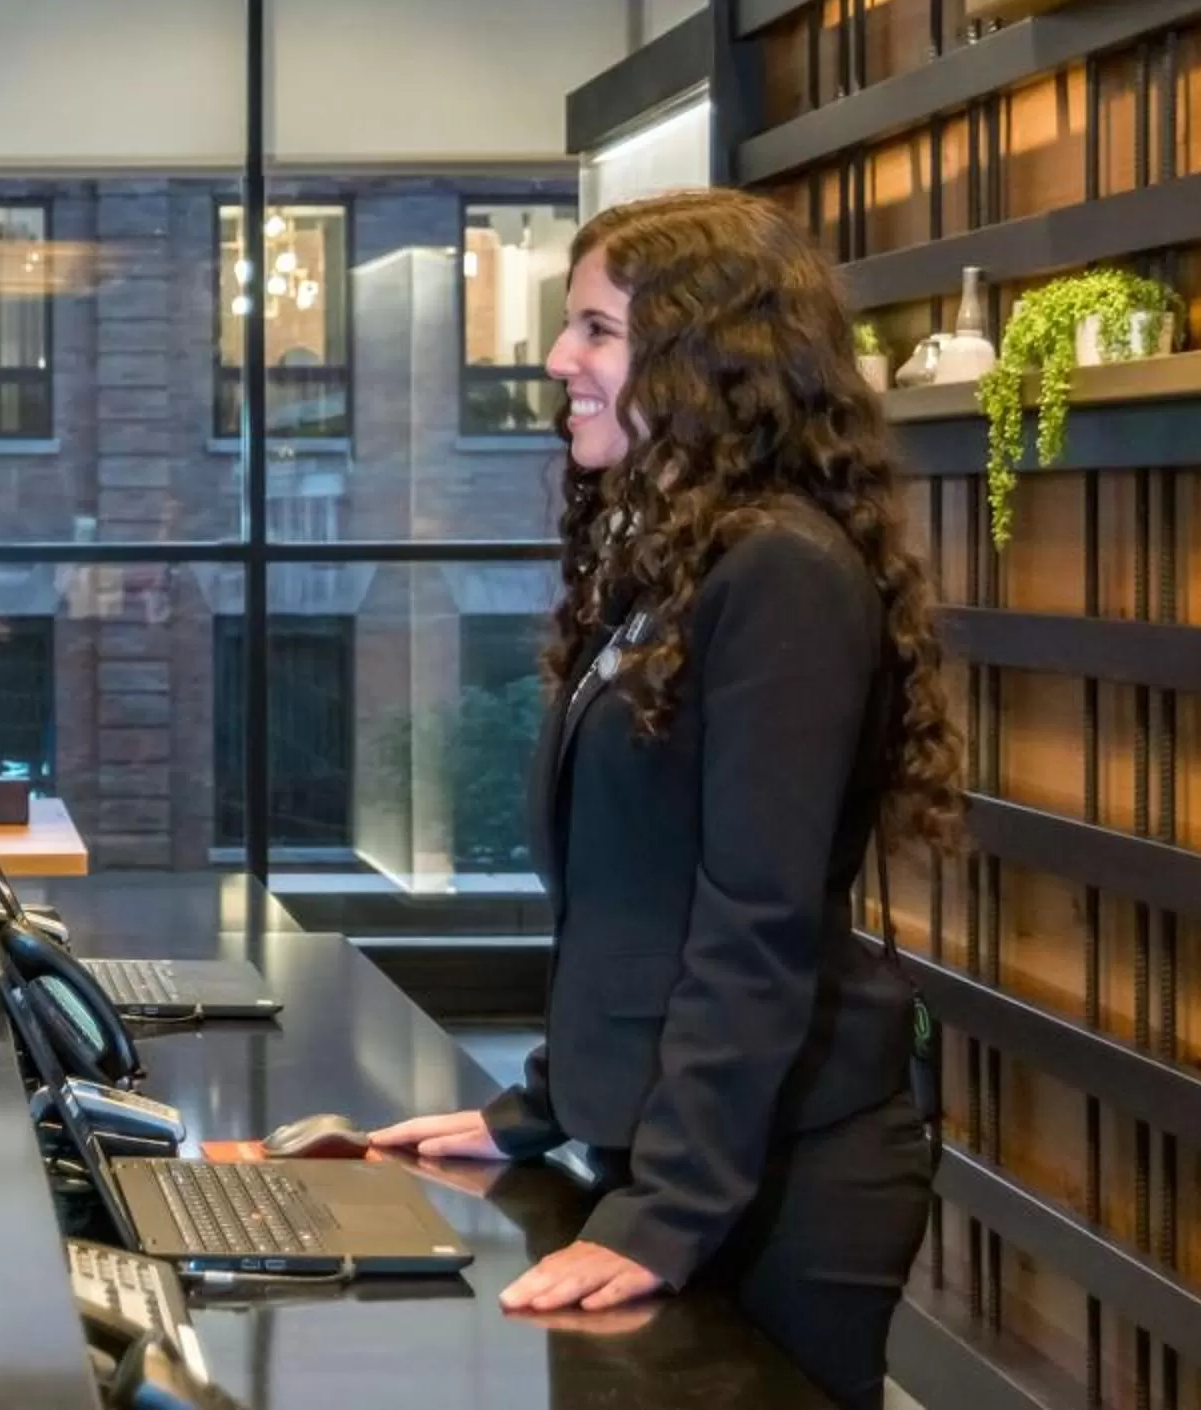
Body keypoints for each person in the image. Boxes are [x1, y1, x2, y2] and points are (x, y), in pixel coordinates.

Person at [369, 188, 960, 1408]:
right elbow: (636, 906)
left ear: (706, 355)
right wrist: (533, 1109)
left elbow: (752, 922)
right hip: (686, 1156)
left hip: (780, 1177)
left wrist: (664, 1214)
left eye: (594, 329)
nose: (556, 360)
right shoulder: (687, 560)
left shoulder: (783, 572)